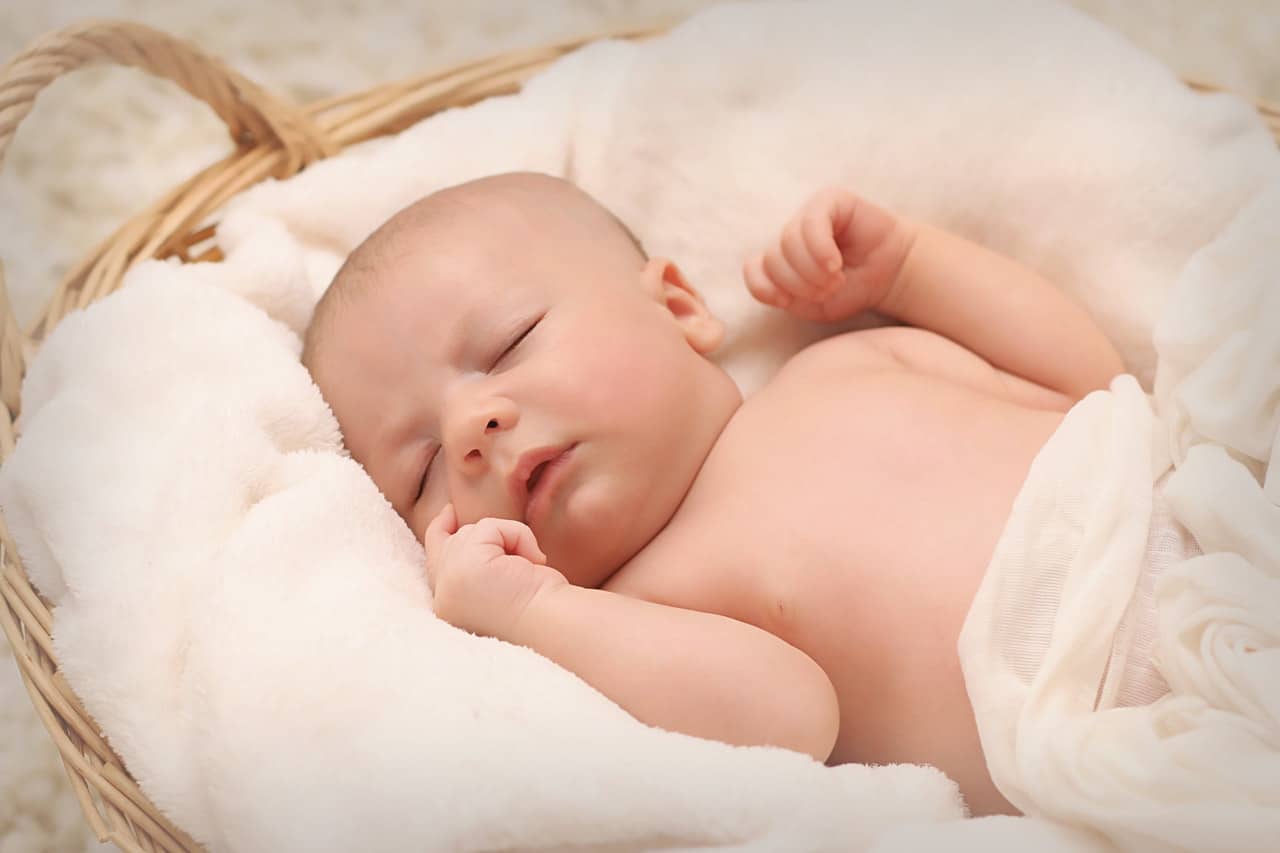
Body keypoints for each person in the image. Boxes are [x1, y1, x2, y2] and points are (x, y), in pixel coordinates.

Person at [302, 171, 1127, 817]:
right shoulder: (638, 612)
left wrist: (910, 266)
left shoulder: (845, 360)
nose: (471, 428)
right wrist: (528, 611)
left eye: (508, 343)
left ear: (679, 306)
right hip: (1129, 734)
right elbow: (791, 717)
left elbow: (1087, 384)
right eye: (422, 470)